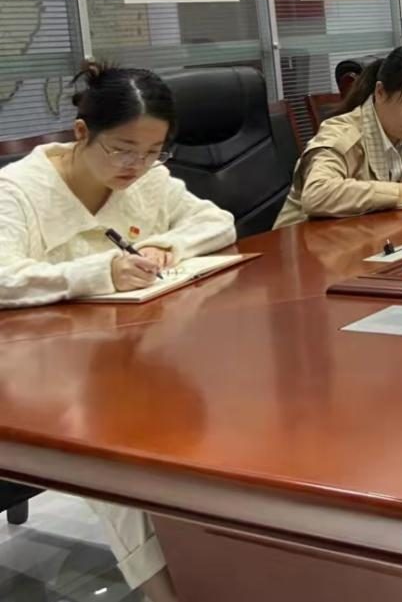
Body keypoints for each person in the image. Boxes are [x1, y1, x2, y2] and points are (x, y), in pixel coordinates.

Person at [0, 62, 238, 602]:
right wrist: (98, 272)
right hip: (33, 370)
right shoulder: (19, 190)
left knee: (202, 430)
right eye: (123, 150)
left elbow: (216, 221)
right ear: (82, 132)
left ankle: (238, 566)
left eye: (154, 151)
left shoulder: (147, 177)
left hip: (118, 357)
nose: (138, 165)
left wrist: (166, 244)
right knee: (120, 460)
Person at [275, 45, 402, 227]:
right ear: (380, 92)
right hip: (305, 249)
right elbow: (317, 193)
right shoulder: (341, 135)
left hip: (370, 236)